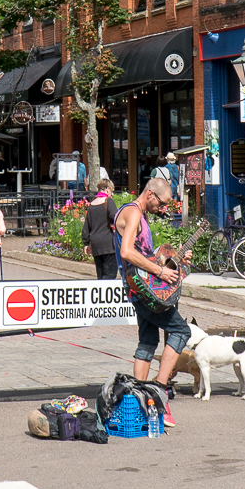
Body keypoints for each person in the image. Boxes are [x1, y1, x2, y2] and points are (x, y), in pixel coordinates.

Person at [114, 177, 188, 429]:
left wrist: (174, 258)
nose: (163, 208)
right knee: (180, 330)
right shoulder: (134, 213)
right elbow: (127, 252)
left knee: (148, 341)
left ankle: (138, 402)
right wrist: (160, 272)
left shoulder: (138, 215)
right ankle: (159, 392)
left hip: (138, 289)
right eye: (162, 203)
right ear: (150, 195)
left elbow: (145, 254)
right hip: (141, 291)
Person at [83, 179, 120, 279]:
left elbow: (86, 226)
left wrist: (86, 243)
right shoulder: (108, 201)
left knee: (100, 275)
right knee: (110, 275)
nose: (111, 194)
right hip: (108, 244)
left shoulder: (91, 205)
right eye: (111, 191)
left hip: (96, 245)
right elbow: (115, 217)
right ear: (108, 190)